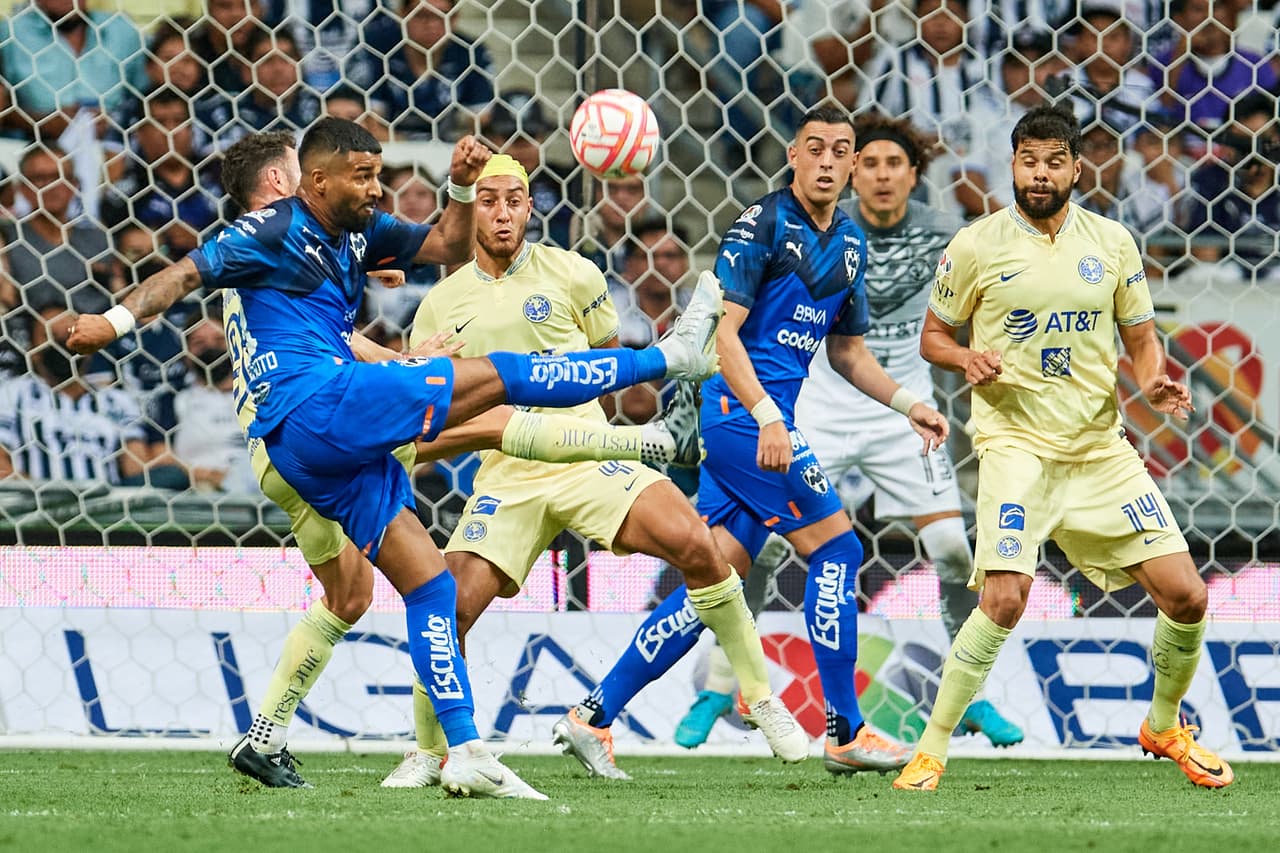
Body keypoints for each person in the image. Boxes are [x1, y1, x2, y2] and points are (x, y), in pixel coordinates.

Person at [68, 119, 722, 797]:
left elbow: (443, 242)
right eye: (364, 175)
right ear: (300, 179)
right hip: (319, 407)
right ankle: (667, 362)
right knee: (496, 384)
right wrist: (110, 324)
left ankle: (456, 748)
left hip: (305, 448)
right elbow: (181, 274)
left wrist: (459, 185)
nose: (379, 188)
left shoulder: (350, 231)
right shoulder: (268, 230)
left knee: (423, 584)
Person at [376, 155, 806, 787]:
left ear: (529, 208)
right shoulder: (441, 303)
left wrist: (594, 432)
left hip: (586, 456)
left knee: (696, 543)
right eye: (488, 201)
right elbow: (430, 408)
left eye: (513, 201)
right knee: (444, 609)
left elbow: (607, 366)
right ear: (472, 211)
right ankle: (427, 752)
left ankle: (761, 699)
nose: (501, 213)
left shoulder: (574, 274)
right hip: (508, 474)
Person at [557, 105, 950, 779]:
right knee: (840, 548)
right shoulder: (762, 223)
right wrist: (769, 416)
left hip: (762, 421)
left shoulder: (849, 241)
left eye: (841, 151)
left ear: (853, 165)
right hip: (744, 418)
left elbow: (849, 352)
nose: (828, 161)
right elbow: (724, 334)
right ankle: (845, 729)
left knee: (716, 581)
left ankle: (592, 714)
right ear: (794, 155)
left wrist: (910, 403)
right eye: (816, 148)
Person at [892, 103, 1234, 791]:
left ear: (1077, 167)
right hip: (1015, 445)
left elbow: (1140, 339)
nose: (1039, 174)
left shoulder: (1111, 242)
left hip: (1099, 450)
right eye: (1027, 160)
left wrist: (1155, 381)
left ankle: (1164, 723)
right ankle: (930, 748)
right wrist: (964, 360)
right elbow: (933, 335)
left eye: (1053, 161)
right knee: (1006, 598)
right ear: (1012, 164)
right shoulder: (975, 244)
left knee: (1188, 595)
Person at [674, 113, 1023, 754]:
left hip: (889, 408)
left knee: (950, 547)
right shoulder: (789, 226)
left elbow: (892, 334)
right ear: (848, 171)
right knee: (772, 550)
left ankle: (965, 698)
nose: (879, 175)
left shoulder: (946, 237)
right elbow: (738, 330)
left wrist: (917, 399)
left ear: (915, 176)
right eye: (868, 163)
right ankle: (723, 687)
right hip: (808, 409)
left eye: (893, 164)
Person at [0, 302, 145, 483]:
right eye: (51, 335)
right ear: (32, 351)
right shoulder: (11, 395)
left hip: (107, 506)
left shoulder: (116, 401)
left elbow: (137, 469)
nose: (63, 343)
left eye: (71, 334)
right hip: (39, 504)